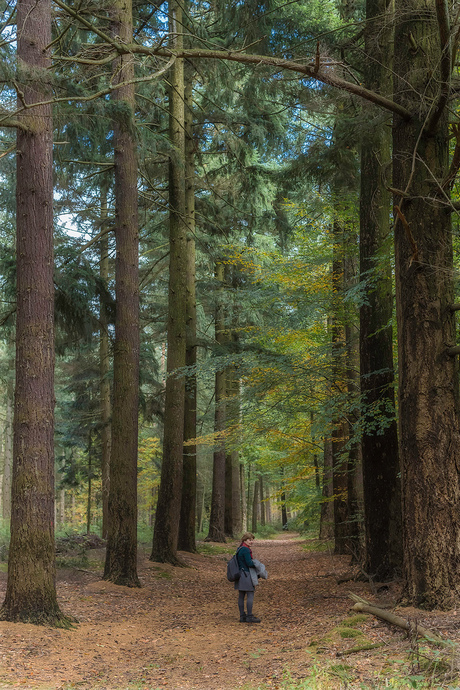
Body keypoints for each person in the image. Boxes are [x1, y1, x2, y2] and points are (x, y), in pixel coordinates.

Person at [234, 532, 261, 623]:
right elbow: (249, 563)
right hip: (246, 574)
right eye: (250, 540)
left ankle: (242, 616)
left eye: (252, 540)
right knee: (250, 594)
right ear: (245, 540)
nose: (251, 542)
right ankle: (249, 616)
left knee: (241, 596)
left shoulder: (240, 548)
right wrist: (257, 565)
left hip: (240, 575)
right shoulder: (246, 550)